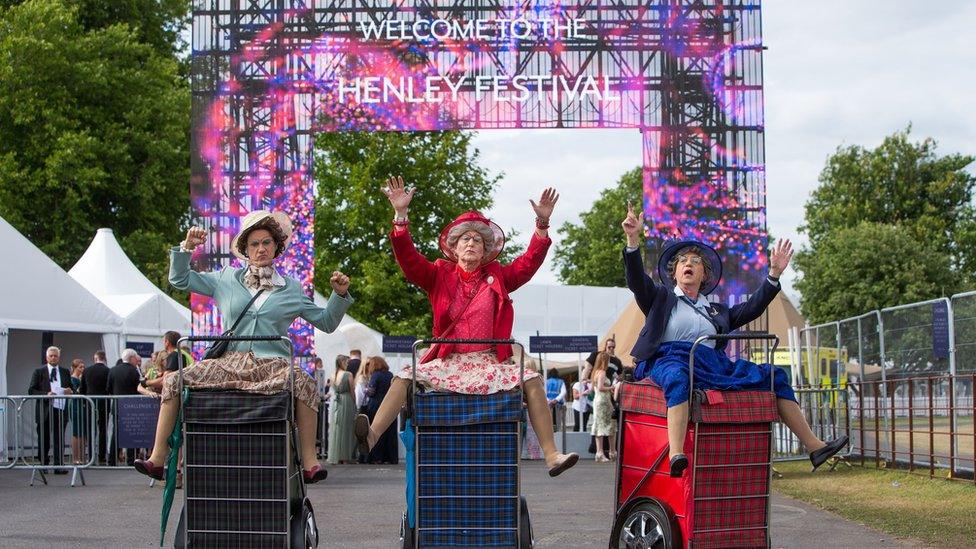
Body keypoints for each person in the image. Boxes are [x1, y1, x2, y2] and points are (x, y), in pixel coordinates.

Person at [354, 176, 578, 477]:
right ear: (454, 248)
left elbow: (528, 264)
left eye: (478, 240)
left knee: (533, 379)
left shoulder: (498, 276)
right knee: (404, 376)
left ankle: (552, 456)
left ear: (485, 251)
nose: (471, 243)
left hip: (489, 360)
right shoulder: (438, 275)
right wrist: (401, 216)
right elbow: (408, 260)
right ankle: (371, 437)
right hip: (449, 360)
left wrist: (541, 224)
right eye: (465, 240)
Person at [620, 203, 848, 477]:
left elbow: (752, 308)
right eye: (682, 262)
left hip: (711, 363)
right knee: (678, 376)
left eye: (695, 261)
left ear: (704, 274)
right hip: (668, 359)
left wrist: (773, 274)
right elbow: (636, 280)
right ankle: (676, 454)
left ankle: (815, 446)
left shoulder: (716, 310)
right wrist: (633, 240)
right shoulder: (660, 298)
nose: (688, 264)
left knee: (774, 375)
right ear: (674, 273)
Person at [132, 210, 354, 484]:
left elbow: (326, 322)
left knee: (304, 381)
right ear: (245, 250)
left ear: (277, 248)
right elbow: (180, 280)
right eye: (254, 244)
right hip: (230, 362)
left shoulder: (292, 288)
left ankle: (309, 461)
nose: (261, 249)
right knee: (175, 379)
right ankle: (157, 459)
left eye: (267, 243)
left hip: (273, 364)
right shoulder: (226, 278)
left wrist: (339, 294)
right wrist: (186, 248)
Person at [27, 346, 73, 473]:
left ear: (59, 357)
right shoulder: (39, 371)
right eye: (51, 356)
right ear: (46, 357)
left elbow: (70, 387)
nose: (53, 358)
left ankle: (59, 466)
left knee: (59, 439)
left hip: (60, 408)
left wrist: (70, 390)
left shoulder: (64, 372)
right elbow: (31, 390)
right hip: (45, 410)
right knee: (44, 438)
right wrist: (45, 394)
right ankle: (44, 465)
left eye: (55, 356)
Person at [586, 338, 621, 456]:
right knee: (603, 425)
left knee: (605, 425)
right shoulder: (601, 370)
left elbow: (619, 375)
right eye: (609, 347)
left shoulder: (616, 362)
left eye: (613, 347)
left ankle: (607, 451)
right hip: (602, 398)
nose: (611, 349)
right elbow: (599, 386)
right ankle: (601, 451)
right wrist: (611, 388)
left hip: (603, 398)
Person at [107, 348, 142, 466]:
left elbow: (109, 388)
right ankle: (131, 460)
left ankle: (111, 459)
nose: (136, 360)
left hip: (116, 405)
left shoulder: (113, 370)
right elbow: (138, 388)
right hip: (131, 406)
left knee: (115, 433)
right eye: (135, 358)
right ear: (131, 358)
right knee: (131, 433)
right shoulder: (134, 371)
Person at [364, 356, 397, 464]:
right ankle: (391, 457)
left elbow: (371, 391)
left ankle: (377, 457)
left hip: (376, 405)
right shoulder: (390, 374)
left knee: (377, 431)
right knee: (390, 432)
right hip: (390, 405)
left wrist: (365, 389)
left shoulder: (375, 375)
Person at [79, 350, 110, 464]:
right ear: (104, 358)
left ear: (95, 358)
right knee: (103, 430)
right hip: (104, 403)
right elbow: (109, 388)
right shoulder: (108, 371)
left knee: (91, 430)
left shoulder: (87, 371)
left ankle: (91, 456)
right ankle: (102, 456)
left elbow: (82, 388)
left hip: (89, 403)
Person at [327, 355, 357, 464]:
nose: (348, 364)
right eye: (347, 362)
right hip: (346, 401)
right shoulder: (348, 374)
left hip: (335, 402)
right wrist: (355, 404)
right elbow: (352, 390)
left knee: (336, 428)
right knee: (347, 429)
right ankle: (345, 456)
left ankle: (336, 455)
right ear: (342, 362)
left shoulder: (332, 375)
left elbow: (332, 389)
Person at [590, 353, 617, 462]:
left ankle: (600, 452)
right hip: (603, 401)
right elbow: (601, 387)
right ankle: (608, 452)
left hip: (598, 400)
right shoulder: (602, 372)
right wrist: (612, 387)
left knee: (599, 425)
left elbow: (595, 388)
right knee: (606, 425)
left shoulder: (595, 372)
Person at [68, 359, 88, 464]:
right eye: (80, 367)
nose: (82, 369)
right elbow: (75, 392)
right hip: (75, 406)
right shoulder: (73, 379)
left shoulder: (81, 379)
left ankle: (82, 457)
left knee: (83, 433)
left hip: (82, 407)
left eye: (83, 367)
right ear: (74, 368)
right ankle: (76, 457)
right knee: (77, 433)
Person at [571, 363, 593, 432]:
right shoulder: (577, 384)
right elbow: (575, 396)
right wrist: (583, 393)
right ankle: (574, 440)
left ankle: (583, 441)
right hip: (578, 407)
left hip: (587, 407)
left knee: (584, 425)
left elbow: (593, 393)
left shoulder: (590, 384)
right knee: (577, 425)